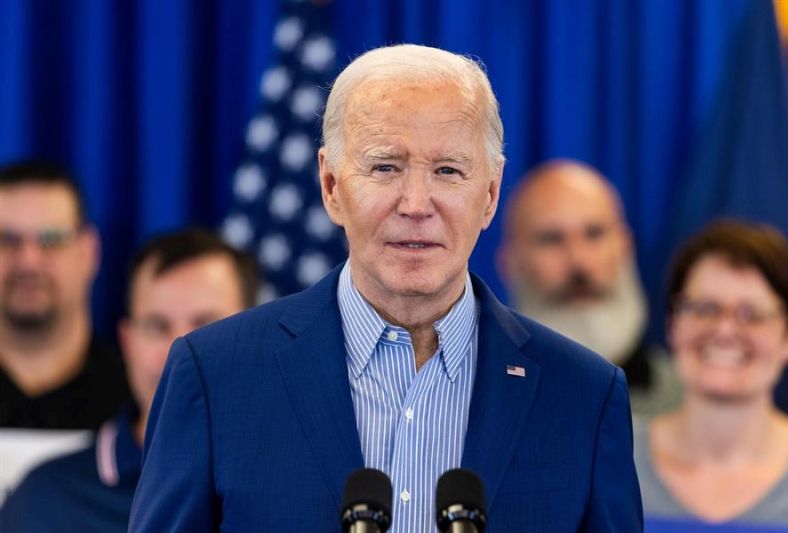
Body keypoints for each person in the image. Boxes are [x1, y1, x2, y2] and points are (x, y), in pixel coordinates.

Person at [130, 44, 642, 532]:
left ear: (489, 195)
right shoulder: (215, 376)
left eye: (447, 170)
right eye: (385, 167)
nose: (416, 204)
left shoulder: (584, 396)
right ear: (331, 186)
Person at [0, 228, 259, 531]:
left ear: (257, 338)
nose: (179, 355)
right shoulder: (44, 503)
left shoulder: (308, 482)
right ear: (127, 343)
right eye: (156, 326)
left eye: (206, 326)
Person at [634, 219, 788, 531]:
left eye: (751, 314)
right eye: (705, 308)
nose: (724, 330)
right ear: (672, 323)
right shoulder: (611, 465)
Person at [499, 159, 681, 418]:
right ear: (510, 262)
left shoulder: (688, 399)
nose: (579, 261)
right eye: (552, 239)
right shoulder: (477, 403)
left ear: (625, 247)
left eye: (594, 234)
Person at [0, 160, 130, 429]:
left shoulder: (138, 402)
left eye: (51, 239)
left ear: (89, 252)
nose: (28, 262)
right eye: (6, 240)